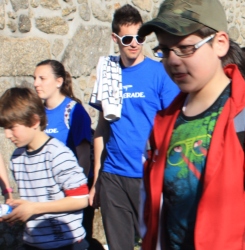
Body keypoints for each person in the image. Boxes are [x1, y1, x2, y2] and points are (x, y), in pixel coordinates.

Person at [137, 0, 245, 248]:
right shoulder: (163, 124)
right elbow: (151, 216)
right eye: (164, 49)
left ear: (220, 43)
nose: (172, 60)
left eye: (185, 48)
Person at [89, 5, 180, 250]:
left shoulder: (159, 73)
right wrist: (97, 176)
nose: (134, 44)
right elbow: (101, 128)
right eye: (127, 38)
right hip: (113, 176)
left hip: (148, 175)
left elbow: (173, 124)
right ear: (115, 39)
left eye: (140, 37)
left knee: (157, 244)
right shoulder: (108, 72)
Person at [0, 87, 90, 249]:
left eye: (12, 127)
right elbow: (34, 200)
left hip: (67, 244)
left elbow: (81, 199)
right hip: (33, 243)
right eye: (4, 128)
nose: (7, 135)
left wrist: (34, 208)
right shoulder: (17, 158)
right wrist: (16, 210)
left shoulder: (58, 154)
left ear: (34, 121)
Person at [33, 59, 97, 246]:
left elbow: (84, 157)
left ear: (59, 82)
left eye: (42, 78)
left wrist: (76, 193)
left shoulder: (74, 111)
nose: (36, 83)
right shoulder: (37, 114)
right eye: (35, 78)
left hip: (72, 193)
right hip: (47, 194)